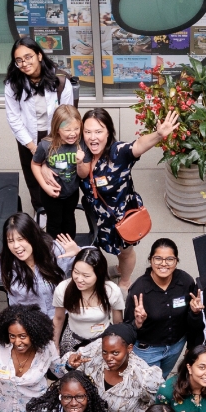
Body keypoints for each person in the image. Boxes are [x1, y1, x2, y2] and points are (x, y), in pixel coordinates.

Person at [74, 108, 180, 287]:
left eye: (99, 131)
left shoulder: (118, 153)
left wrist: (158, 134)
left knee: (125, 252)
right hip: (99, 218)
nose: (93, 137)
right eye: (88, 132)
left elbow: (137, 145)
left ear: (108, 132)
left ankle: (125, 280)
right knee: (107, 248)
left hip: (121, 219)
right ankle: (120, 268)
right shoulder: (81, 154)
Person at [5, 36, 80, 212]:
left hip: (56, 134)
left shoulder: (61, 82)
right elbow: (13, 118)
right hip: (28, 137)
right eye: (19, 60)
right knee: (33, 175)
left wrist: (51, 145)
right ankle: (40, 209)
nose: (24, 63)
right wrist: (33, 147)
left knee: (58, 169)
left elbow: (66, 116)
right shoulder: (13, 84)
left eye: (28, 57)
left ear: (39, 55)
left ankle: (59, 201)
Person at [65, 324, 163, 412]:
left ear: (129, 348)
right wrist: (70, 365)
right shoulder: (95, 351)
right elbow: (64, 368)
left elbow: (160, 406)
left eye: (115, 353)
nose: (108, 358)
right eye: (105, 352)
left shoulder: (144, 377)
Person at [127, 238, 200, 371]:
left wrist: (195, 313)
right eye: (158, 258)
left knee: (163, 379)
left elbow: (190, 319)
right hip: (147, 350)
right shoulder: (138, 289)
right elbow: (127, 326)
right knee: (147, 387)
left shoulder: (185, 281)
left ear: (176, 261)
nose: (163, 264)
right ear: (150, 260)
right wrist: (137, 323)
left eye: (170, 259)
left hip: (176, 346)